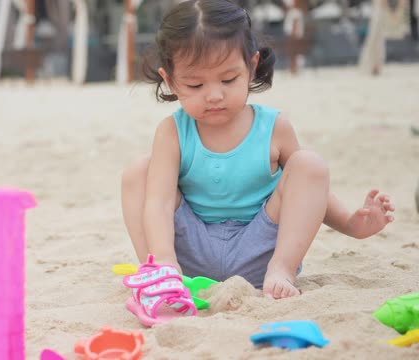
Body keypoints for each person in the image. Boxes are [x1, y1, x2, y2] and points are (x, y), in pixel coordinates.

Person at [121, 0, 395, 300]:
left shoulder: (273, 127)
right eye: (195, 85)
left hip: (259, 251)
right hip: (189, 255)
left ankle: (283, 270)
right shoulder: (172, 131)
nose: (214, 95)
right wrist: (165, 257)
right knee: (139, 173)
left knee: (309, 164)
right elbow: (159, 203)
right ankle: (160, 275)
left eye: (228, 79)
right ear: (170, 79)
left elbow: (307, 189)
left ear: (251, 67)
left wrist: (351, 224)